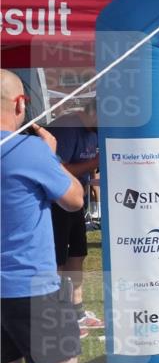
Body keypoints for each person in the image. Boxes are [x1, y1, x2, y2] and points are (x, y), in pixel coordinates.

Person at [0, 70, 116, 363]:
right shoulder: (26, 149)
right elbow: (72, 200)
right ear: (21, 102)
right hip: (31, 287)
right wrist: (48, 156)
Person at [47, 99, 103, 338]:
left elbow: (87, 168)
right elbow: (58, 170)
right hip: (55, 201)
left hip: (75, 201)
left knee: (77, 254)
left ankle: (77, 311)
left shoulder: (92, 130)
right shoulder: (68, 127)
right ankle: (59, 314)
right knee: (58, 259)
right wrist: (96, 162)